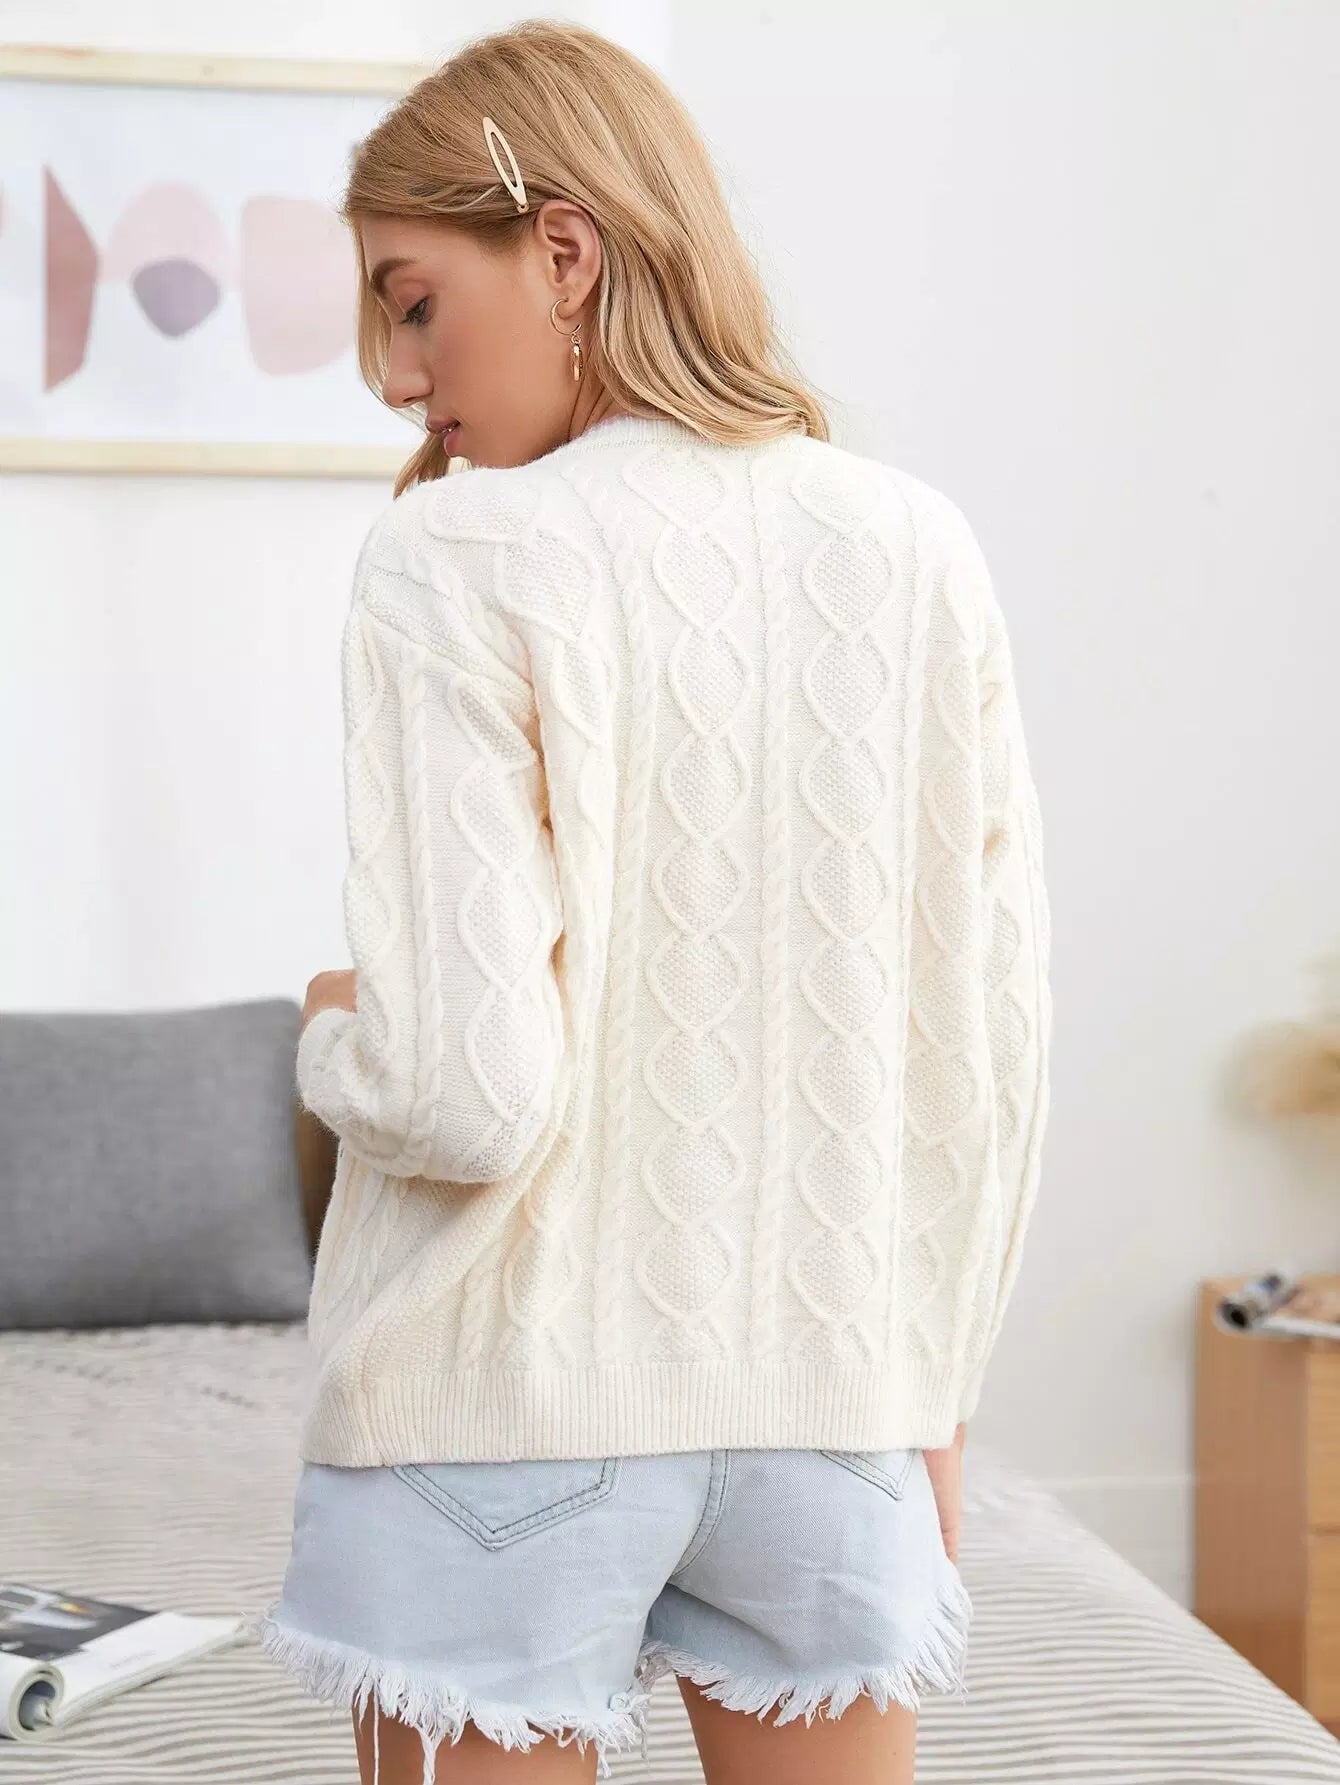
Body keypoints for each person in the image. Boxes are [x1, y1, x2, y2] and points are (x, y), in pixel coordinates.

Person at [251, 18, 1052, 1785]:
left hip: (499, 1403)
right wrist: (930, 1389)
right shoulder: (915, 544)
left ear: (564, 249)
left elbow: (464, 1091)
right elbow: (989, 1050)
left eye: (412, 304)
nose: (396, 379)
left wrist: (325, 1033)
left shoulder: (455, 554)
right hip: (837, 1400)